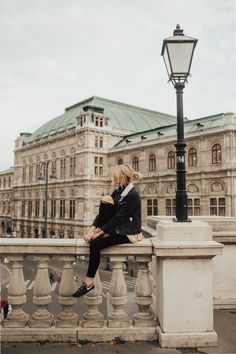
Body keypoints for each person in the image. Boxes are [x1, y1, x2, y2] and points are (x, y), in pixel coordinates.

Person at [72, 163, 144, 298]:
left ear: (123, 177)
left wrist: (100, 232)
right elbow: (103, 215)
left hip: (129, 232)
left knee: (95, 243)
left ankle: (88, 282)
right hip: (116, 228)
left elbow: (119, 217)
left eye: (116, 177)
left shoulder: (133, 195)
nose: (114, 179)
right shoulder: (118, 191)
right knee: (106, 200)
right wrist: (92, 230)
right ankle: (88, 282)